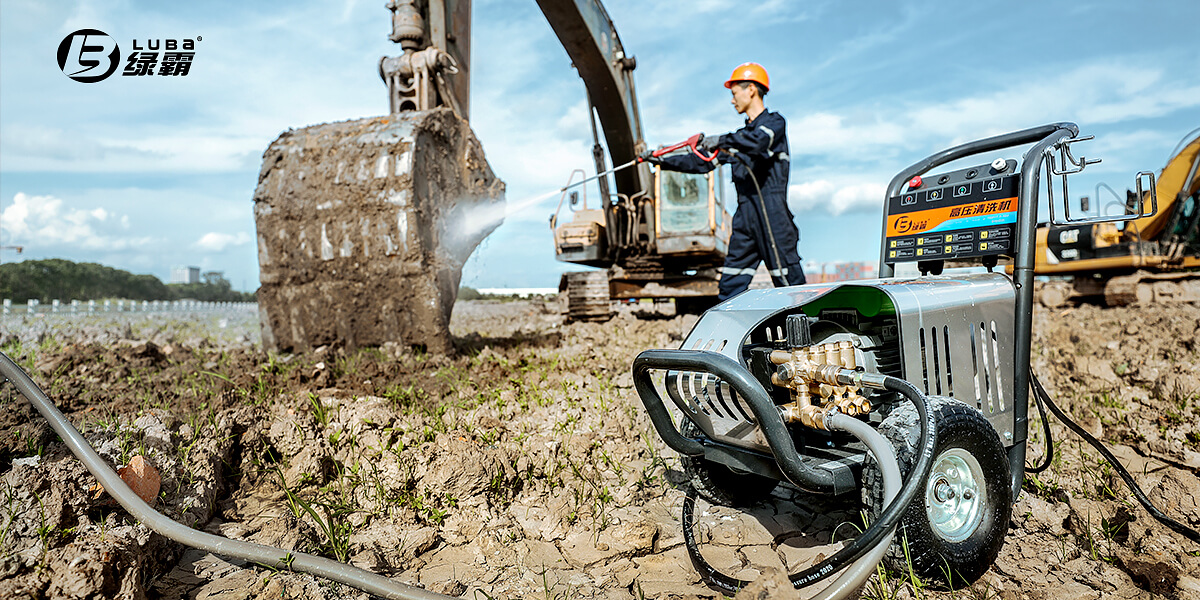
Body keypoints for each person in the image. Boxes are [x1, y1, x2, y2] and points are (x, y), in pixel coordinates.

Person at [642, 62, 804, 301]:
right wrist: (661, 160)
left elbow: (757, 142)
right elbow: (702, 163)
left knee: (790, 286)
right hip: (745, 219)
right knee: (729, 288)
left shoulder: (774, 124)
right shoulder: (737, 140)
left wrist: (721, 140)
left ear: (751, 90)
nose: (732, 100)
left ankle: (811, 332)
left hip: (772, 216)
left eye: (734, 92)